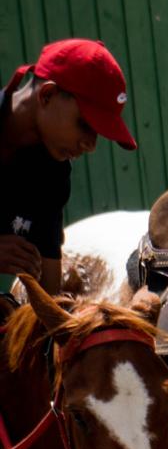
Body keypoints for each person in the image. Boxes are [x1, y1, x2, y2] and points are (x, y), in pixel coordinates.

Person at [2, 39, 138, 301]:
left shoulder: (52, 173)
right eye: (85, 124)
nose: (90, 145)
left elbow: (49, 290)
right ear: (47, 95)